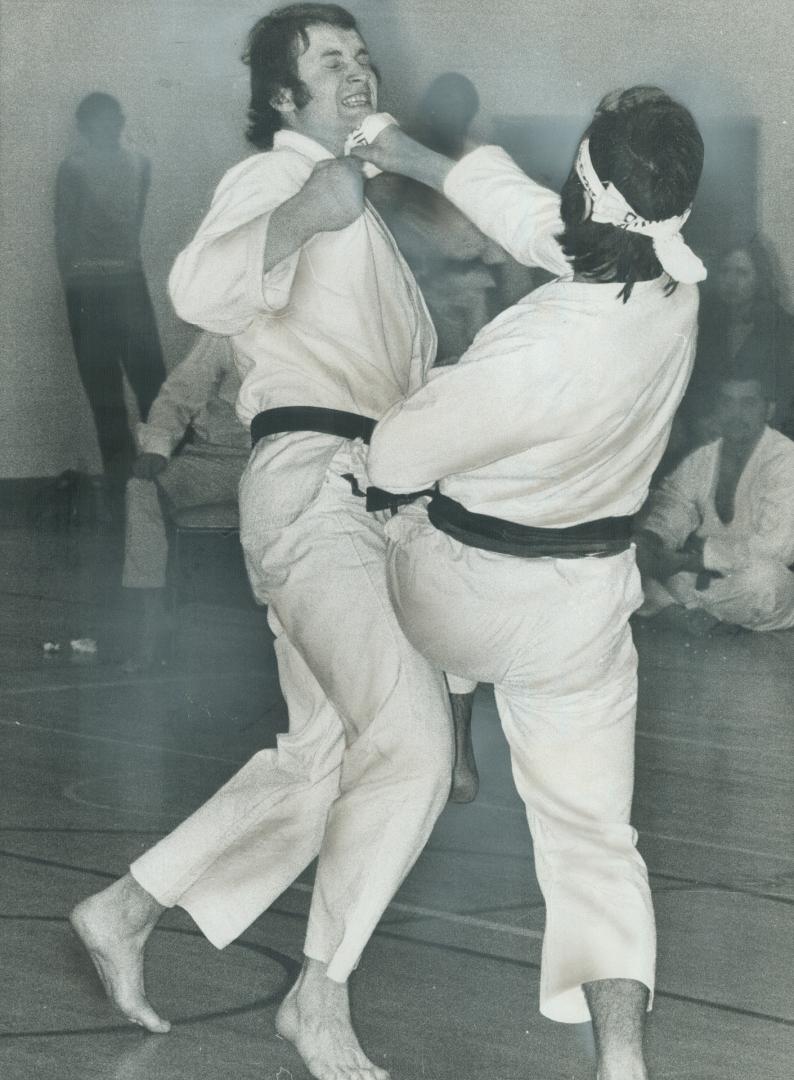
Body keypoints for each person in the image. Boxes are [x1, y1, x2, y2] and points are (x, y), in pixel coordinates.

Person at [70, 9, 453, 1080]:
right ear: (283, 99)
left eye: (362, 58)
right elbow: (196, 288)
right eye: (329, 62)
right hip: (312, 487)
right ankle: (317, 1000)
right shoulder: (281, 180)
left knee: (323, 759)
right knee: (410, 744)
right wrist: (300, 214)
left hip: (366, 499)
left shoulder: (363, 213)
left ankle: (127, 906)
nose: (356, 72)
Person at [355, 85, 705, 1080]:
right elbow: (536, 220)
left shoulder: (534, 346)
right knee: (595, 840)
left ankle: (450, 733)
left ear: (584, 188)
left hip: (458, 598)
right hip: (585, 609)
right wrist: (408, 152)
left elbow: (394, 458)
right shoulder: (675, 285)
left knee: (382, 498)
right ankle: (621, 1061)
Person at [55, 93, 166, 485]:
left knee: (153, 384)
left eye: (114, 116)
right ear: (86, 127)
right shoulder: (73, 169)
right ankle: (121, 483)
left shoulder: (139, 165)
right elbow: (64, 237)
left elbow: (129, 224)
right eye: (101, 119)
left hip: (125, 285)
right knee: (104, 392)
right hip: (88, 290)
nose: (112, 124)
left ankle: (165, 477)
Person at [121, 332, 250, 670]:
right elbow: (181, 391)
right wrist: (157, 447)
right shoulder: (227, 329)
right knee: (142, 488)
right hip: (217, 460)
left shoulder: (330, 318)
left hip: (285, 458)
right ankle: (154, 622)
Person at [635, 371, 794, 634]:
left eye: (748, 403)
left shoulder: (785, 459)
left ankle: (672, 610)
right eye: (727, 402)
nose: (736, 413)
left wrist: (692, 560)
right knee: (628, 561)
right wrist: (654, 540)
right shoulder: (703, 458)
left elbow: (778, 547)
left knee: (766, 581)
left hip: (751, 580)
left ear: (769, 410)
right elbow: (674, 503)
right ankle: (692, 614)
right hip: (705, 583)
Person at [681, 235, 794, 447]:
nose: (731, 282)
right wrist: (700, 421)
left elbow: (787, 396)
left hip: (769, 440)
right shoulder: (704, 326)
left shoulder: (783, 328)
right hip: (711, 439)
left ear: (759, 279)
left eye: (742, 273)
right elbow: (693, 385)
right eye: (725, 271)